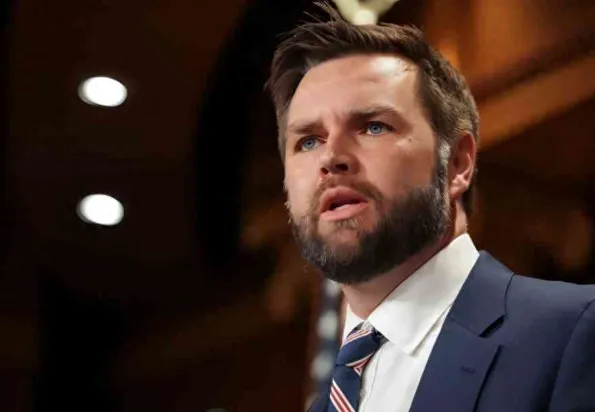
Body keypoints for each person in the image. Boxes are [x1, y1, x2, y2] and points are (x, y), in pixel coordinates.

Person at [265, 5, 595, 412]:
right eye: (308, 141)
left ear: (457, 163)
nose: (331, 157)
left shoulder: (574, 332)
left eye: (373, 126)